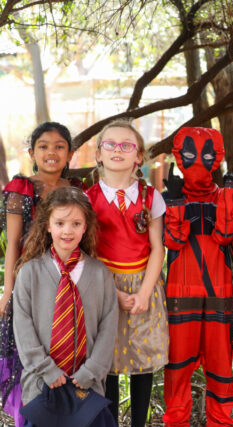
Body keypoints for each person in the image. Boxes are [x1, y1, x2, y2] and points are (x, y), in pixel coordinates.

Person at [86, 120, 168, 427]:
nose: (117, 150)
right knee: (107, 361)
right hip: (104, 284)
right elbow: (87, 252)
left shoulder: (151, 196)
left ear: (139, 156)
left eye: (126, 145)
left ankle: (138, 423)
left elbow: (157, 247)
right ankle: (107, 423)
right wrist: (112, 293)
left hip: (143, 283)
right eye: (110, 144)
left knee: (141, 361)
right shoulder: (88, 198)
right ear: (98, 154)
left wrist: (145, 291)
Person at [12, 186, 118, 424]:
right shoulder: (30, 273)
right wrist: (47, 370)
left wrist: (89, 373)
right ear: (48, 225)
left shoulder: (101, 275)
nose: (67, 231)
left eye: (76, 224)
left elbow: (108, 328)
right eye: (60, 223)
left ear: (85, 227)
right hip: (41, 385)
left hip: (86, 388)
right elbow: (23, 327)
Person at [0, 122, 81, 426]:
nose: (51, 152)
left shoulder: (76, 189)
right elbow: (12, 246)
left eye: (59, 146)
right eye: (43, 146)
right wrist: (8, 292)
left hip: (70, 284)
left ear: (70, 153)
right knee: (32, 359)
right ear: (32, 152)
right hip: (29, 285)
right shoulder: (21, 188)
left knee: (65, 358)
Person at [161, 127, 233, 427]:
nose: (198, 163)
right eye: (190, 155)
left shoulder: (222, 196)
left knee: (221, 369)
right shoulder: (169, 197)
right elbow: (174, 241)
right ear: (179, 156)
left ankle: (220, 423)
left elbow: (224, 235)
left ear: (217, 158)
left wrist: (230, 195)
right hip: (181, 294)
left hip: (218, 294)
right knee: (178, 369)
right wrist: (176, 202)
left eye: (207, 156)